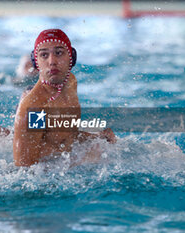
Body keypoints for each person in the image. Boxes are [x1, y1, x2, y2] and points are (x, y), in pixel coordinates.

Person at [13, 29, 116, 167]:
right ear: (36, 62)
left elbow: (64, 135)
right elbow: (25, 171)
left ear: (71, 57)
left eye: (59, 53)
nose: (52, 61)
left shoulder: (70, 83)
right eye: (44, 55)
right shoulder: (36, 107)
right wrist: (81, 161)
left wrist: (94, 137)